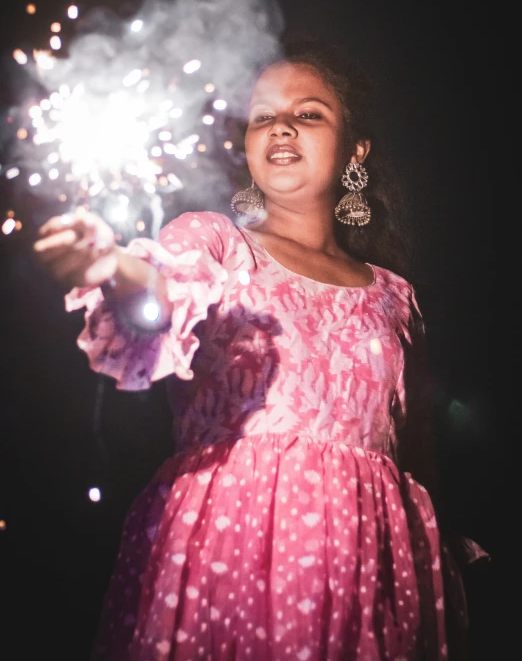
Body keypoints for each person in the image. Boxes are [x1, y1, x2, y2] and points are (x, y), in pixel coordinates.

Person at [34, 48, 486, 660]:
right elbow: (161, 293)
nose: (281, 127)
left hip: (372, 566)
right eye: (263, 118)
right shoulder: (216, 242)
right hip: (230, 545)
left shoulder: (394, 294)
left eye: (308, 114)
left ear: (355, 151)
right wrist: (112, 267)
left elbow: (417, 452)